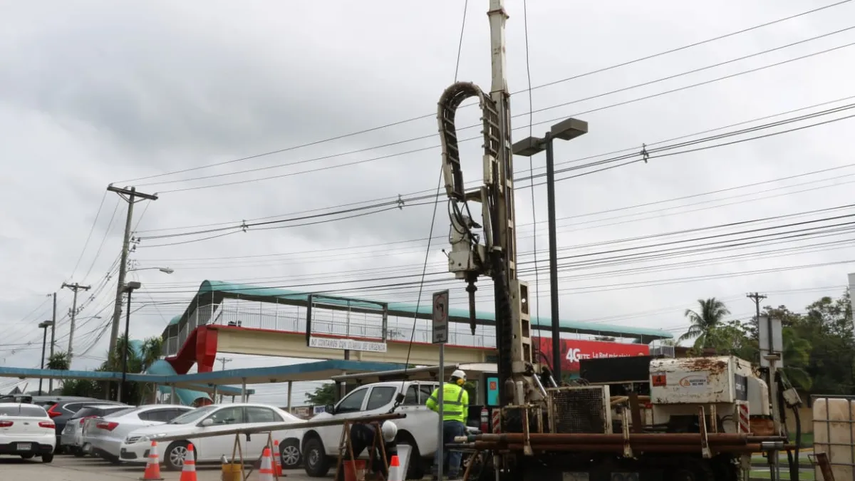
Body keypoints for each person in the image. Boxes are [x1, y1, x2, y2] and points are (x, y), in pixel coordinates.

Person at [426, 369, 469, 480]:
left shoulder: (440, 389)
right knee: (456, 449)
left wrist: (440, 411)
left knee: (441, 448)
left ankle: (436, 471)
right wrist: (464, 425)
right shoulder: (463, 392)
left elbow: (429, 404)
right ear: (460, 381)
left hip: (443, 423)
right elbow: (465, 412)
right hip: (457, 424)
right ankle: (453, 475)